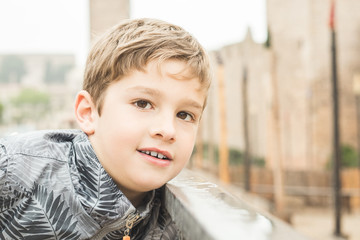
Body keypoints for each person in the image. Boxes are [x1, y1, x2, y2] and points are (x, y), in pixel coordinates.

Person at [0, 18, 211, 239]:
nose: (167, 130)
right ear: (88, 113)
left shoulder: (176, 227)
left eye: (184, 115)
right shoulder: (15, 168)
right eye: (142, 103)